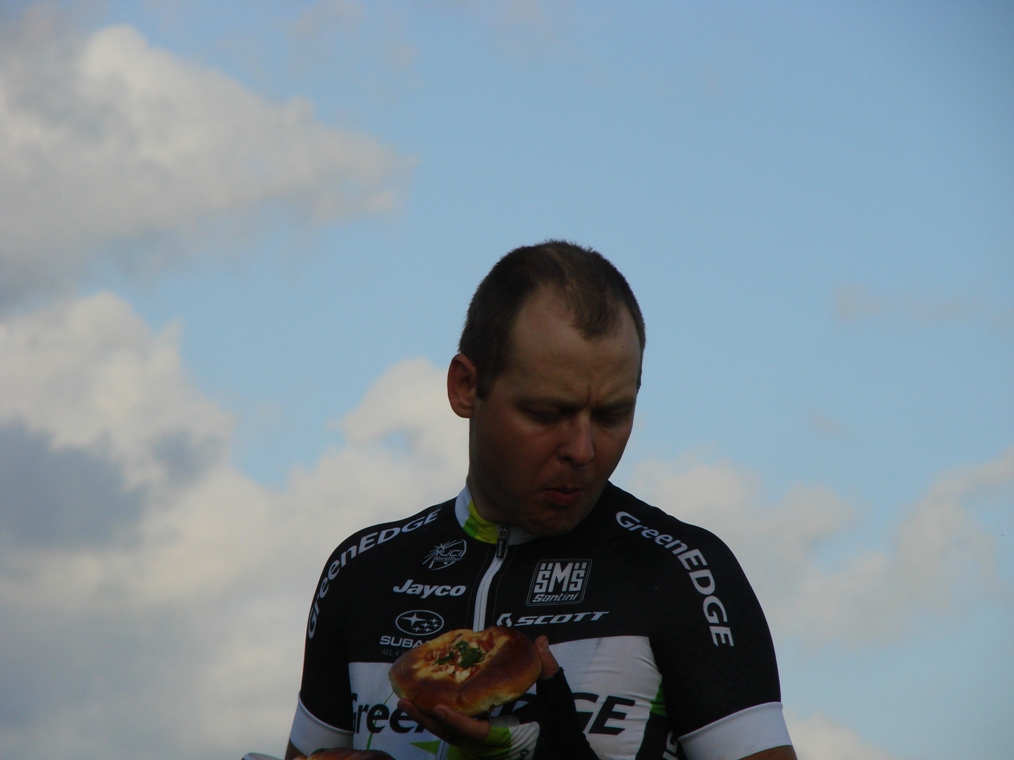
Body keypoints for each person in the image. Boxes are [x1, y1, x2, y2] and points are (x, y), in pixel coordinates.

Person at [284, 241, 796, 760]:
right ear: (465, 387)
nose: (582, 450)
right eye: (547, 413)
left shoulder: (683, 572)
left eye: (612, 415)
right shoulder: (361, 572)